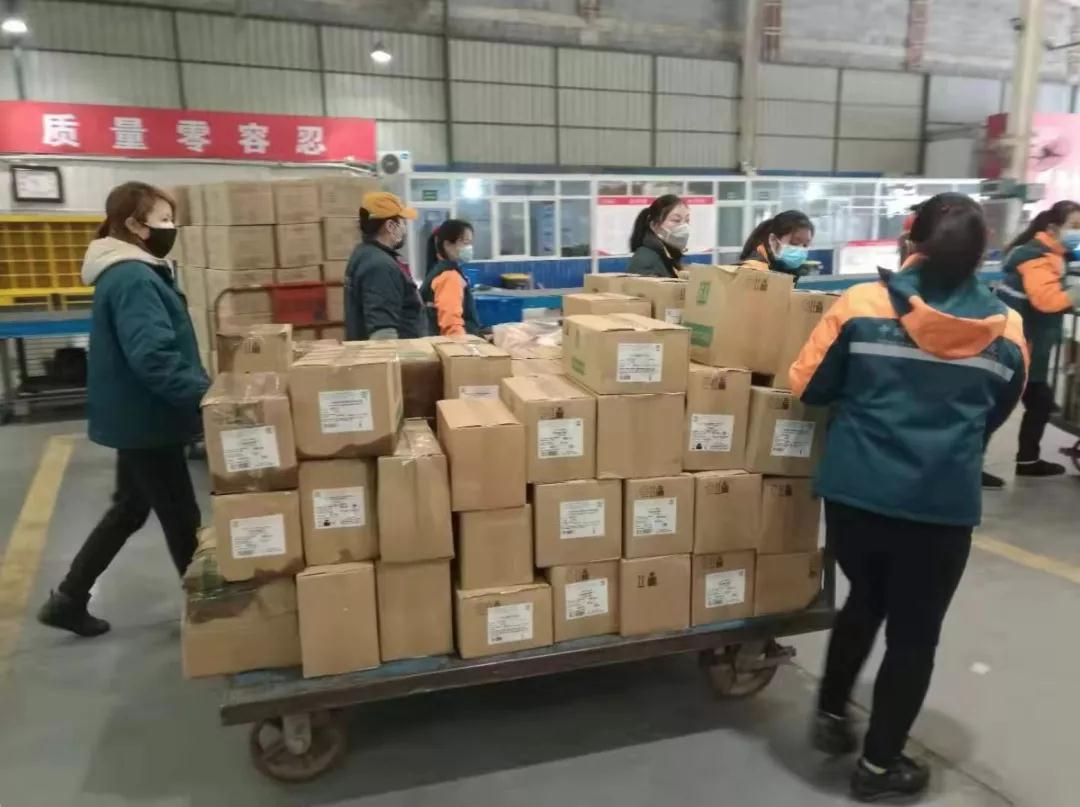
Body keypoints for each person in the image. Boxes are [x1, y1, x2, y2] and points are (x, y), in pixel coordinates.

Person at [790, 193, 1028, 802]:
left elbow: (808, 386)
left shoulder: (861, 304)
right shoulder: (1006, 328)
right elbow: (997, 411)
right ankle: (878, 768)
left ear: (910, 239)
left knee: (864, 598)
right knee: (914, 635)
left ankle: (831, 713)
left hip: (855, 496)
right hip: (938, 508)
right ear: (982, 255)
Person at [38, 182, 209, 637]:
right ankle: (210, 615)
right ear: (135, 225)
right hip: (149, 420)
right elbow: (153, 356)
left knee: (131, 506)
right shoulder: (133, 277)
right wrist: (204, 396)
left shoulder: (129, 271)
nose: (171, 229)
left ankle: (69, 599)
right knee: (181, 517)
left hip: (136, 416)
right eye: (163, 220)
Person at [996, 200, 1080, 477]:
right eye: (1075, 226)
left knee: (1036, 401)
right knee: (1005, 404)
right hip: (1020, 346)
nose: (1078, 232)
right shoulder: (1037, 258)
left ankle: (1027, 461)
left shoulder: (1053, 253)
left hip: (1022, 344)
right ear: (1053, 228)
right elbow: (1046, 300)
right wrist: (1076, 292)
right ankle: (1023, 461)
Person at [344, 191, 423, 340]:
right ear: (391, 226)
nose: (405, 229)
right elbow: (383, 334)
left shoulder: (364, 253)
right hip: (399, 352)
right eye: (403, 223)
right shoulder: (380, 267)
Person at [419, 219, 481, 337]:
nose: (469, 248)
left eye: (470, 243)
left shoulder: (438, 270)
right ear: (447, 245)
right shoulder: (449, 276)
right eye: (465, 242)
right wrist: (462, 346)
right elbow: (451, 325)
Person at [739, 209, 814, 279]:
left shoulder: (789, 269)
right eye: (794, 242)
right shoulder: (753, 269)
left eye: (805, 245)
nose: (800, 249)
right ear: (773, 240)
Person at [626, 194, 689, 277]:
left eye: (687, 220)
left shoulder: (669, 254)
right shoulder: (645, 260)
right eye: (676, 220)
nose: (684, 226)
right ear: (654, 226)